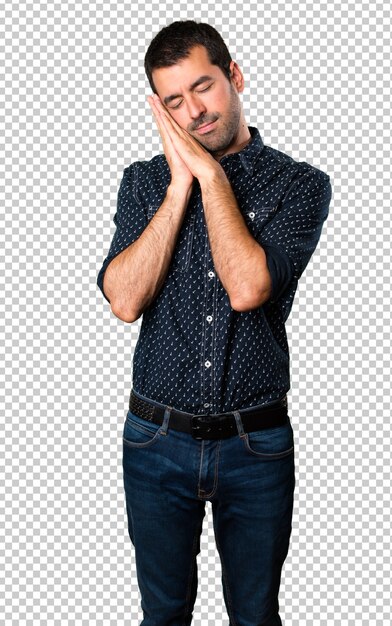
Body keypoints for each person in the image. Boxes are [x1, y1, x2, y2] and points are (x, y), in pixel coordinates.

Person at [97, 19, 332, 626]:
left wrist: (212, 175)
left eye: (204, 86)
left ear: (235, 75)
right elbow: (123, 299)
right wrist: (181, 185)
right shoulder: (143, 181)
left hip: (255, 446)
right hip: (154, 442)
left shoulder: (300, 184)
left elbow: (248, 285)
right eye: (174, 100)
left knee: (254, 618)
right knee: (162, 616)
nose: (194, 110)